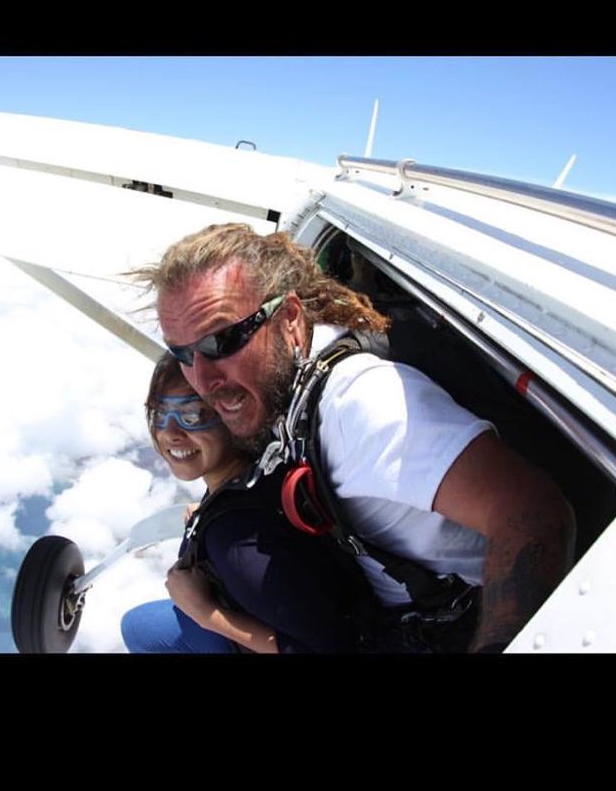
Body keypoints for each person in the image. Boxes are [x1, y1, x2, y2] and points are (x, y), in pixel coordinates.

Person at [133, 223, 576, 653]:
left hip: (444, 625)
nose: (202, 379)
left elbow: (530, 510)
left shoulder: (361, 404)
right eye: (182, 353)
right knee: (143, 626)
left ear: (289, 319)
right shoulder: (284, 383)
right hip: (382, 605)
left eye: (222, 340)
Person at [121, 353, 387, 653]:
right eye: (159, 414)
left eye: (193, 415)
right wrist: (208, 510)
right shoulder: (260, 465)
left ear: (232, 417)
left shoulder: (236, 544)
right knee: (137, 626)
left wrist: (208, 614)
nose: (169, 433)